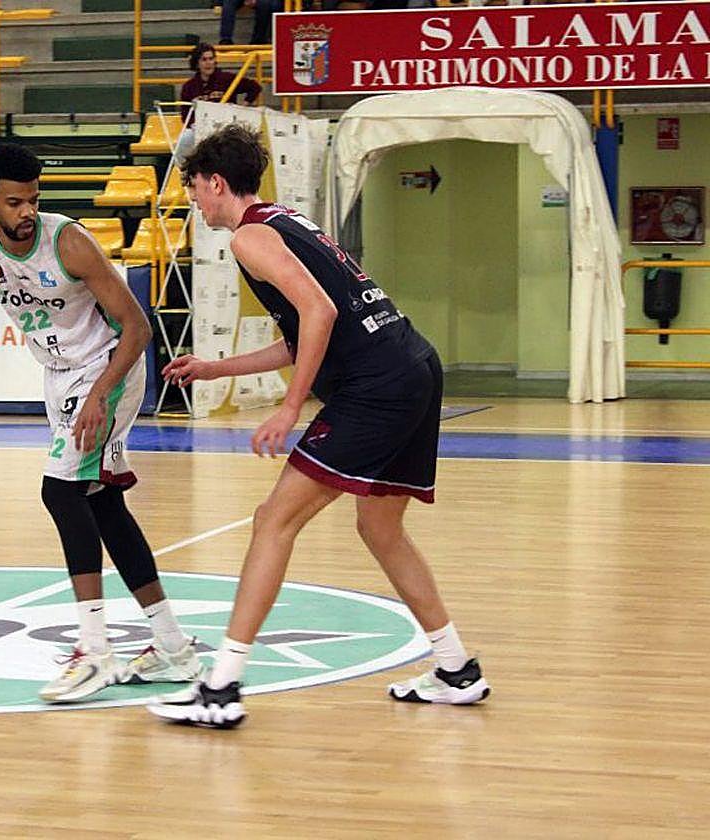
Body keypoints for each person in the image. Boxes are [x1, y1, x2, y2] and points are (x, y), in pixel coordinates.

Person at [147, 125, 490, 729]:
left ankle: (221, 686)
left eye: (196, 188)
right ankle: (456, 668)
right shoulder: (286, 222)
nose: (195, 200)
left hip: (375, 387)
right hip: (413, 365)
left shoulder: (250, 238)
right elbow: (302, 332)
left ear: (217, 183)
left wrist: (289, 407)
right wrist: (215, 367)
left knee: (272, 520)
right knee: (380, 529)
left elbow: (320, 311)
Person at [0, 143, 203, 703]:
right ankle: (172, 646)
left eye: (33, 200)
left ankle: (95, 652)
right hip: (59, 377)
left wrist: (102, 394)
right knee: (103, 505)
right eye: (14, 202)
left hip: (109, 368)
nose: (26, 211)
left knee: (60, 492)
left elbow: (137, 327)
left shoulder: (69, 242)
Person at [174, 43, 262, 163]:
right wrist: (198, 125)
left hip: (225, 128)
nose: (208, 63)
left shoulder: (226, 79)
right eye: (204, 59)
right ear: (197, 63)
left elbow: (255, 87)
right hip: (200, 129)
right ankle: (186, 175)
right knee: (184, 140)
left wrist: (243, 107)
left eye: (211, 59)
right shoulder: (189, 87)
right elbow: (185, 117)